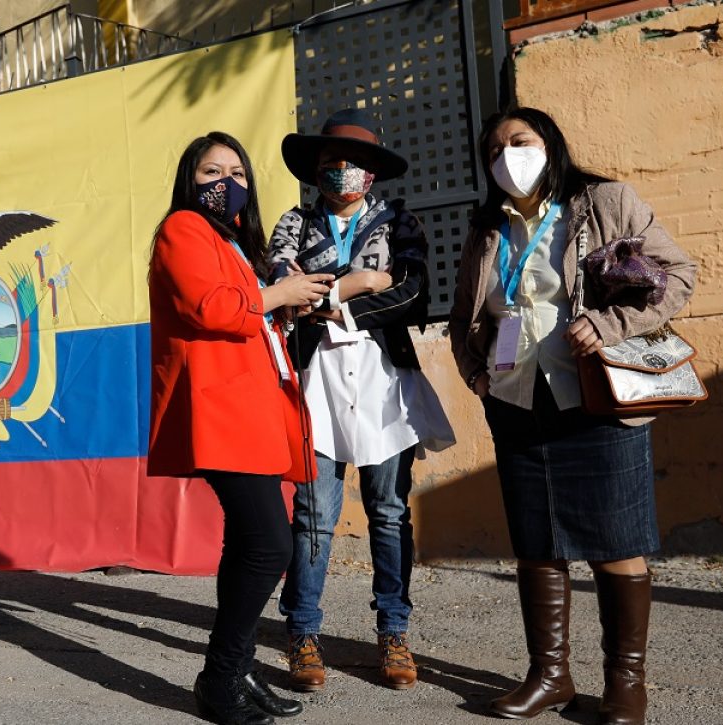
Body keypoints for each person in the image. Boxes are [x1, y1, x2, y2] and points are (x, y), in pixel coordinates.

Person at [448, 108, 695, 724]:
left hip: (595, 400)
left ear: (549, 144)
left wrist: (608, 322)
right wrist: (476, 375)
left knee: (617, 544)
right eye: (496, 148)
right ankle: (550, 676)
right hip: (515, 402)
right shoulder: (486, 227)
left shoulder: (604, 201)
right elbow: (464, 318)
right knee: (535, 546)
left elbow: (679, 276)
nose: (509, 154)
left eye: (521, 141)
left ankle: (624, 684)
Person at [148, 131, 334, 725]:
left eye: (236, 171)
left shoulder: (231, 241)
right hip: (219, 408)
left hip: (246, 406)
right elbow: (211, 308)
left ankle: (240, 668)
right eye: (210, 171)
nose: (225, 181)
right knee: (269, 545)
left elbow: (244, 308)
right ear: (189, 181)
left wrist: (282, 305)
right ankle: (221, 677)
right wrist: (276, 292)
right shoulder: (183, 228)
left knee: (249, 543)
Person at [267, 109, 455, 692]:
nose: (340, 170)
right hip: (316, 377)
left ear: (371, 172)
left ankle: (394, 630)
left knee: (390, 511)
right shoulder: (293, 222)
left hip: (382, 380)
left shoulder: (401, 222)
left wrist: (331, 299)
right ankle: (302, 631)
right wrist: (355, 283)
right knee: (314, 514)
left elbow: (413, 292)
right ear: (315, 170)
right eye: (329, 162)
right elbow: (278, 285)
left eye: (351, 162)